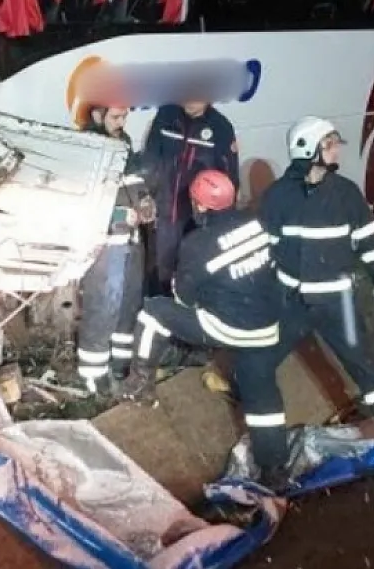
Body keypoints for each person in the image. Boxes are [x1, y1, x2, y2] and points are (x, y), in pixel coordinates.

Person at [259, 116, 374, 474]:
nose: (337, 150)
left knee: (369, 368)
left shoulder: (346, 193)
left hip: (337, 303)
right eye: (329, 144)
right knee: (258, 362)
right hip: (292, 303)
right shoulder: (278, 197)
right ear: (307, 149)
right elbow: (266, 250)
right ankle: (261, 441)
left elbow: (369, 244)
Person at [118, 170, 293, 489]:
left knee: (155, 311)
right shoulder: (257, 222)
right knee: (263, 394)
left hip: (228, 327)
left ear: (200, 205)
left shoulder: (198, 244)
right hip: (268, 325)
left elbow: (183, 299)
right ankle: (275, 470)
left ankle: (140, 383)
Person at [74, 103, 155, 394]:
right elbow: (83, 199)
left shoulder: (123, 142)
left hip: (131, 239)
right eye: (116, 117)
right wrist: (118, 216)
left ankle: (121, 364)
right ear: (97, 116)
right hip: (106, 243)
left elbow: (133, 180)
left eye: (125, 117)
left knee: (129, 302)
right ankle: (93, 374)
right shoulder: (86, 148)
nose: (122, 123)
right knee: (103, 305)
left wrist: (144, 200)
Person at [141, 99, 241, 295]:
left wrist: (221, 223)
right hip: (166, 212)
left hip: (199, 219)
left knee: (194, 270)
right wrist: (147, 196)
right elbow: (149, 161)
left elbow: (229, 180)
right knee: (162, 270)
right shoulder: (166, 116)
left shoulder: (220, 127)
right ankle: (163, 302)